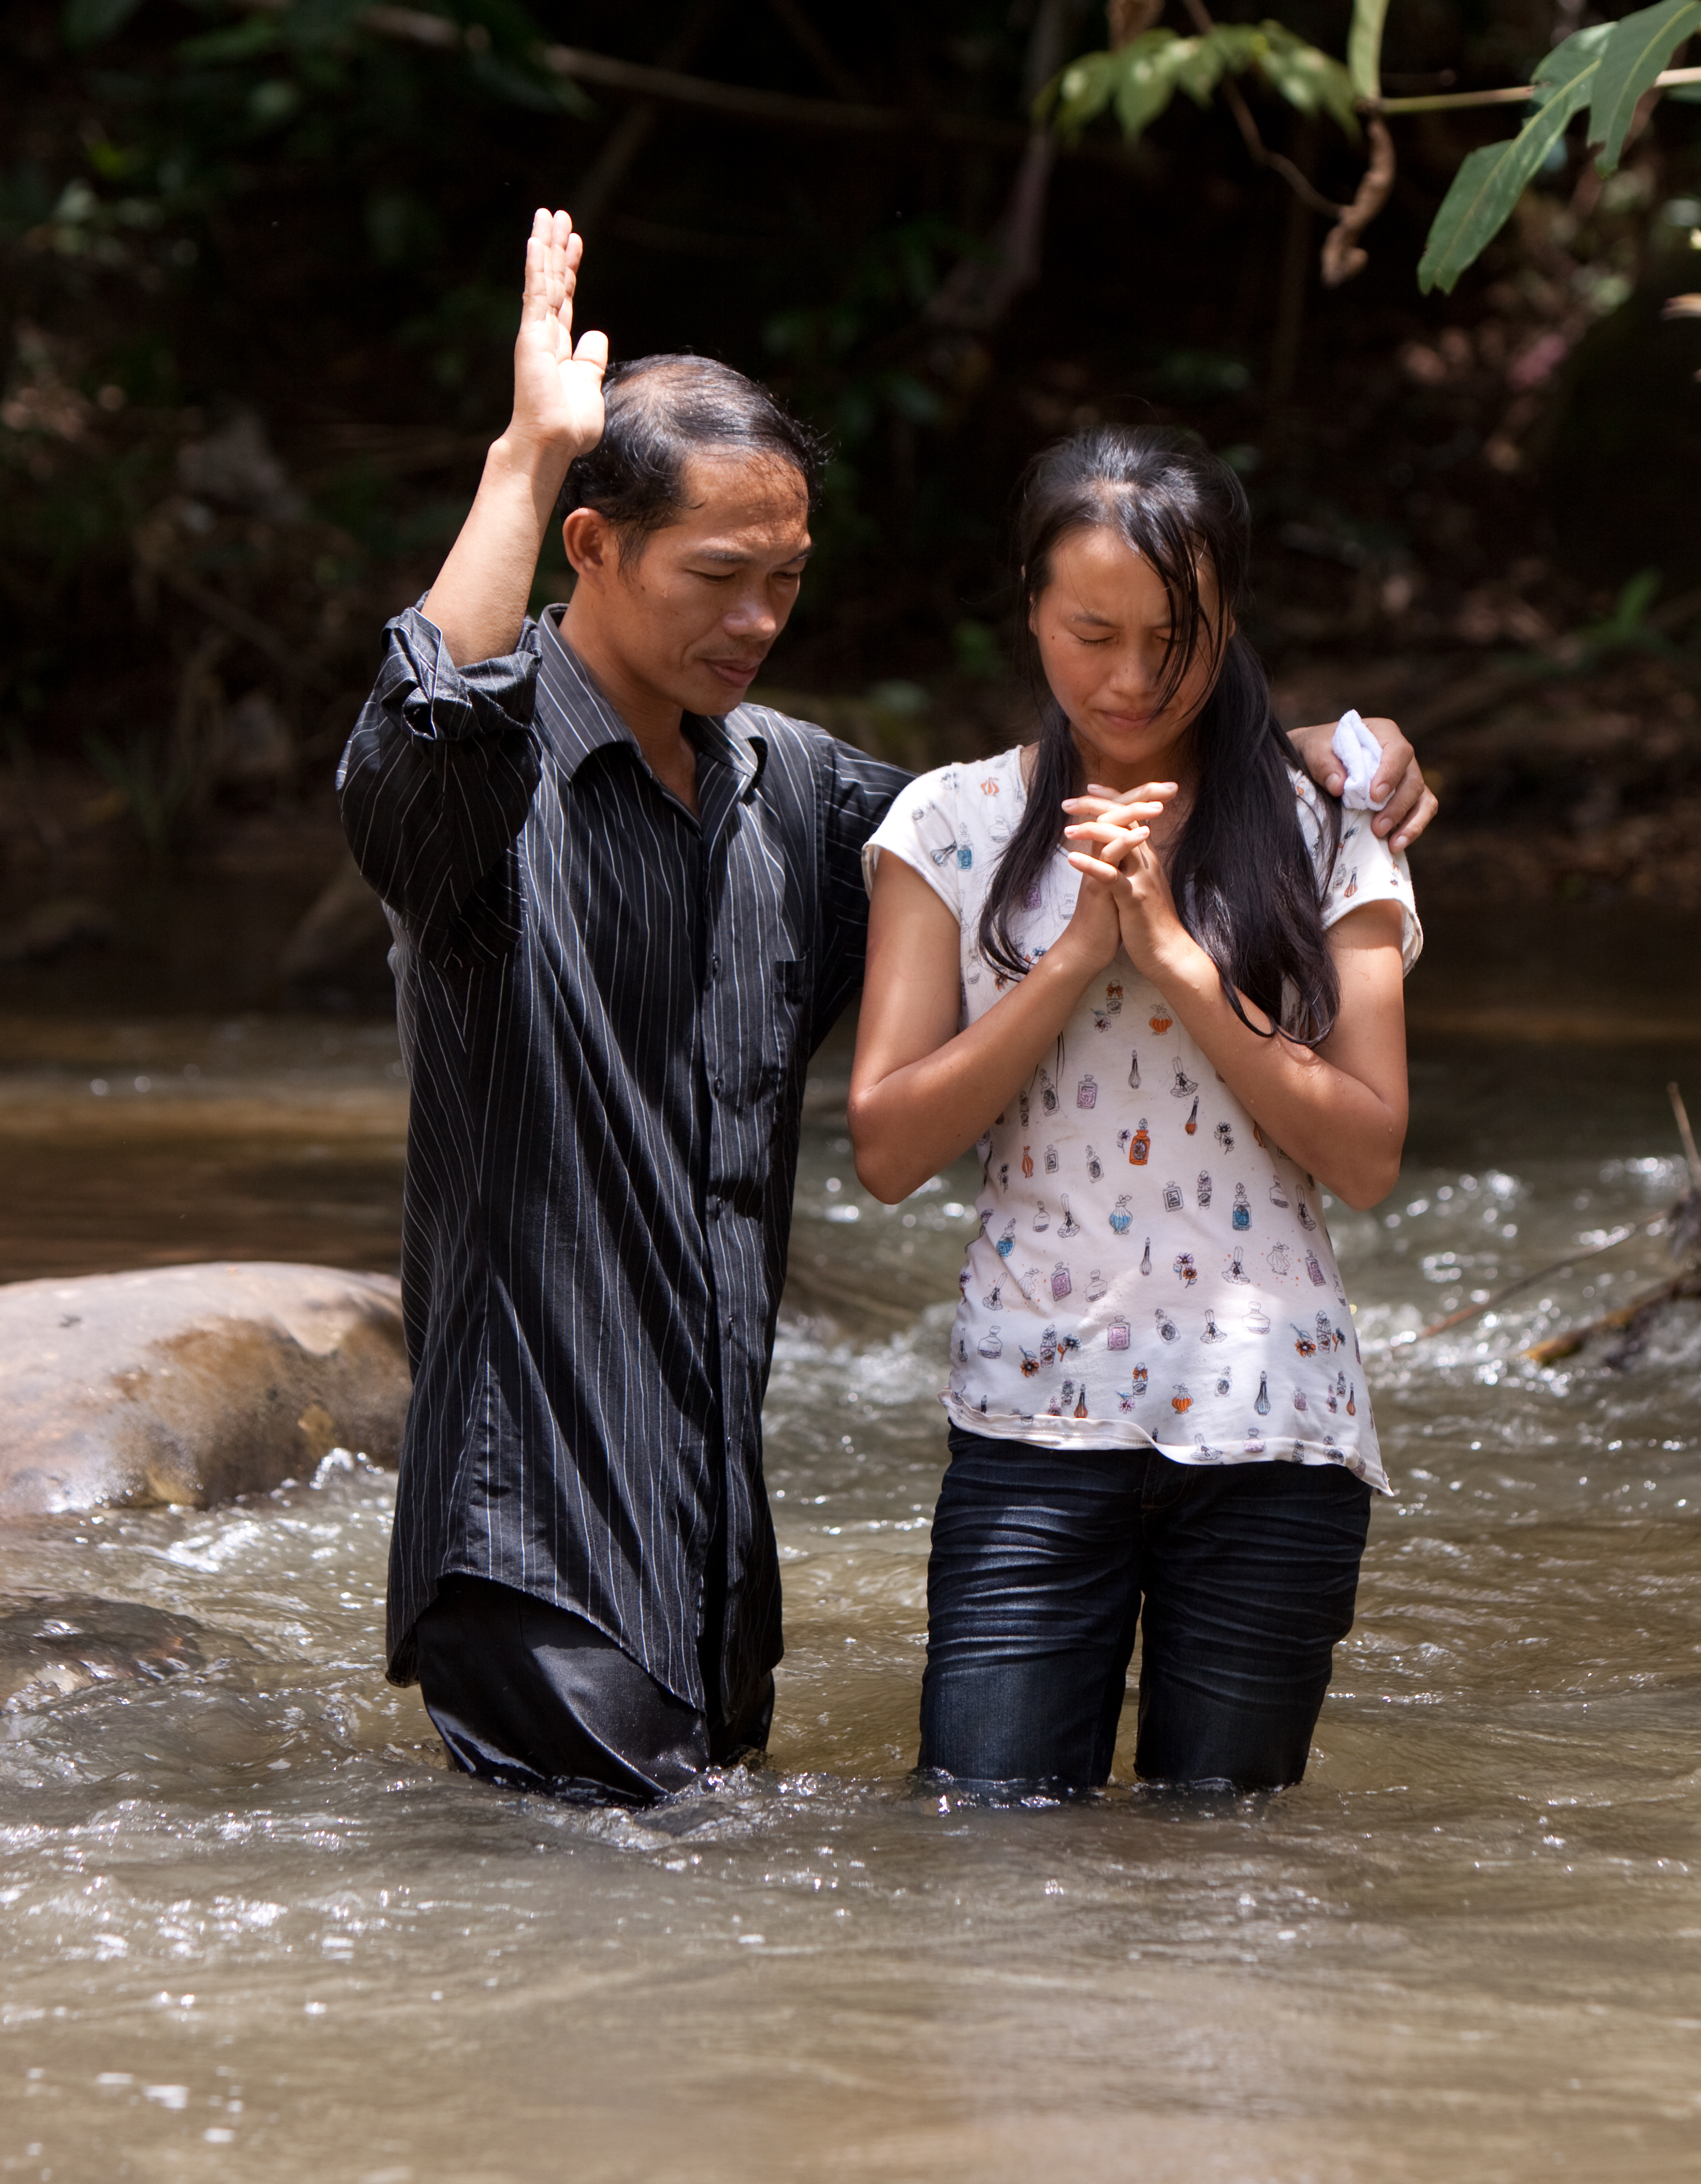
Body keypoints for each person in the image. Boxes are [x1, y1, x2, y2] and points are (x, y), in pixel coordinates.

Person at [339, 208, 1436, 1806]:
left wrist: (1361, 764)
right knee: (604, 1939)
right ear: (592, 548)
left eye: (785, 581)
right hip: (531, 1525)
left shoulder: (794, 795)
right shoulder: (483, 806)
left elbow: (1043, 810)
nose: (758, 621)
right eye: (721, 578)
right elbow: (418, 727)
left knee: (714, 1932)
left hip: (711, 1541)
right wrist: (525, 458)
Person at [849, 424, 1420, 1795]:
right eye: (1091, 631)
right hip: (1032, 1423)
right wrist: (1074, 963)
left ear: (1231, 619)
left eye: (1179, 635)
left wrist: (1174, 961)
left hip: (1273, 1425)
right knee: (986, 1850)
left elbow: (1369, 1154)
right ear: (1031, 611)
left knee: (1220, 1881)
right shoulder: (953, 823)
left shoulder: (1329, 824)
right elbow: (886, 1145)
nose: (1132, 678)